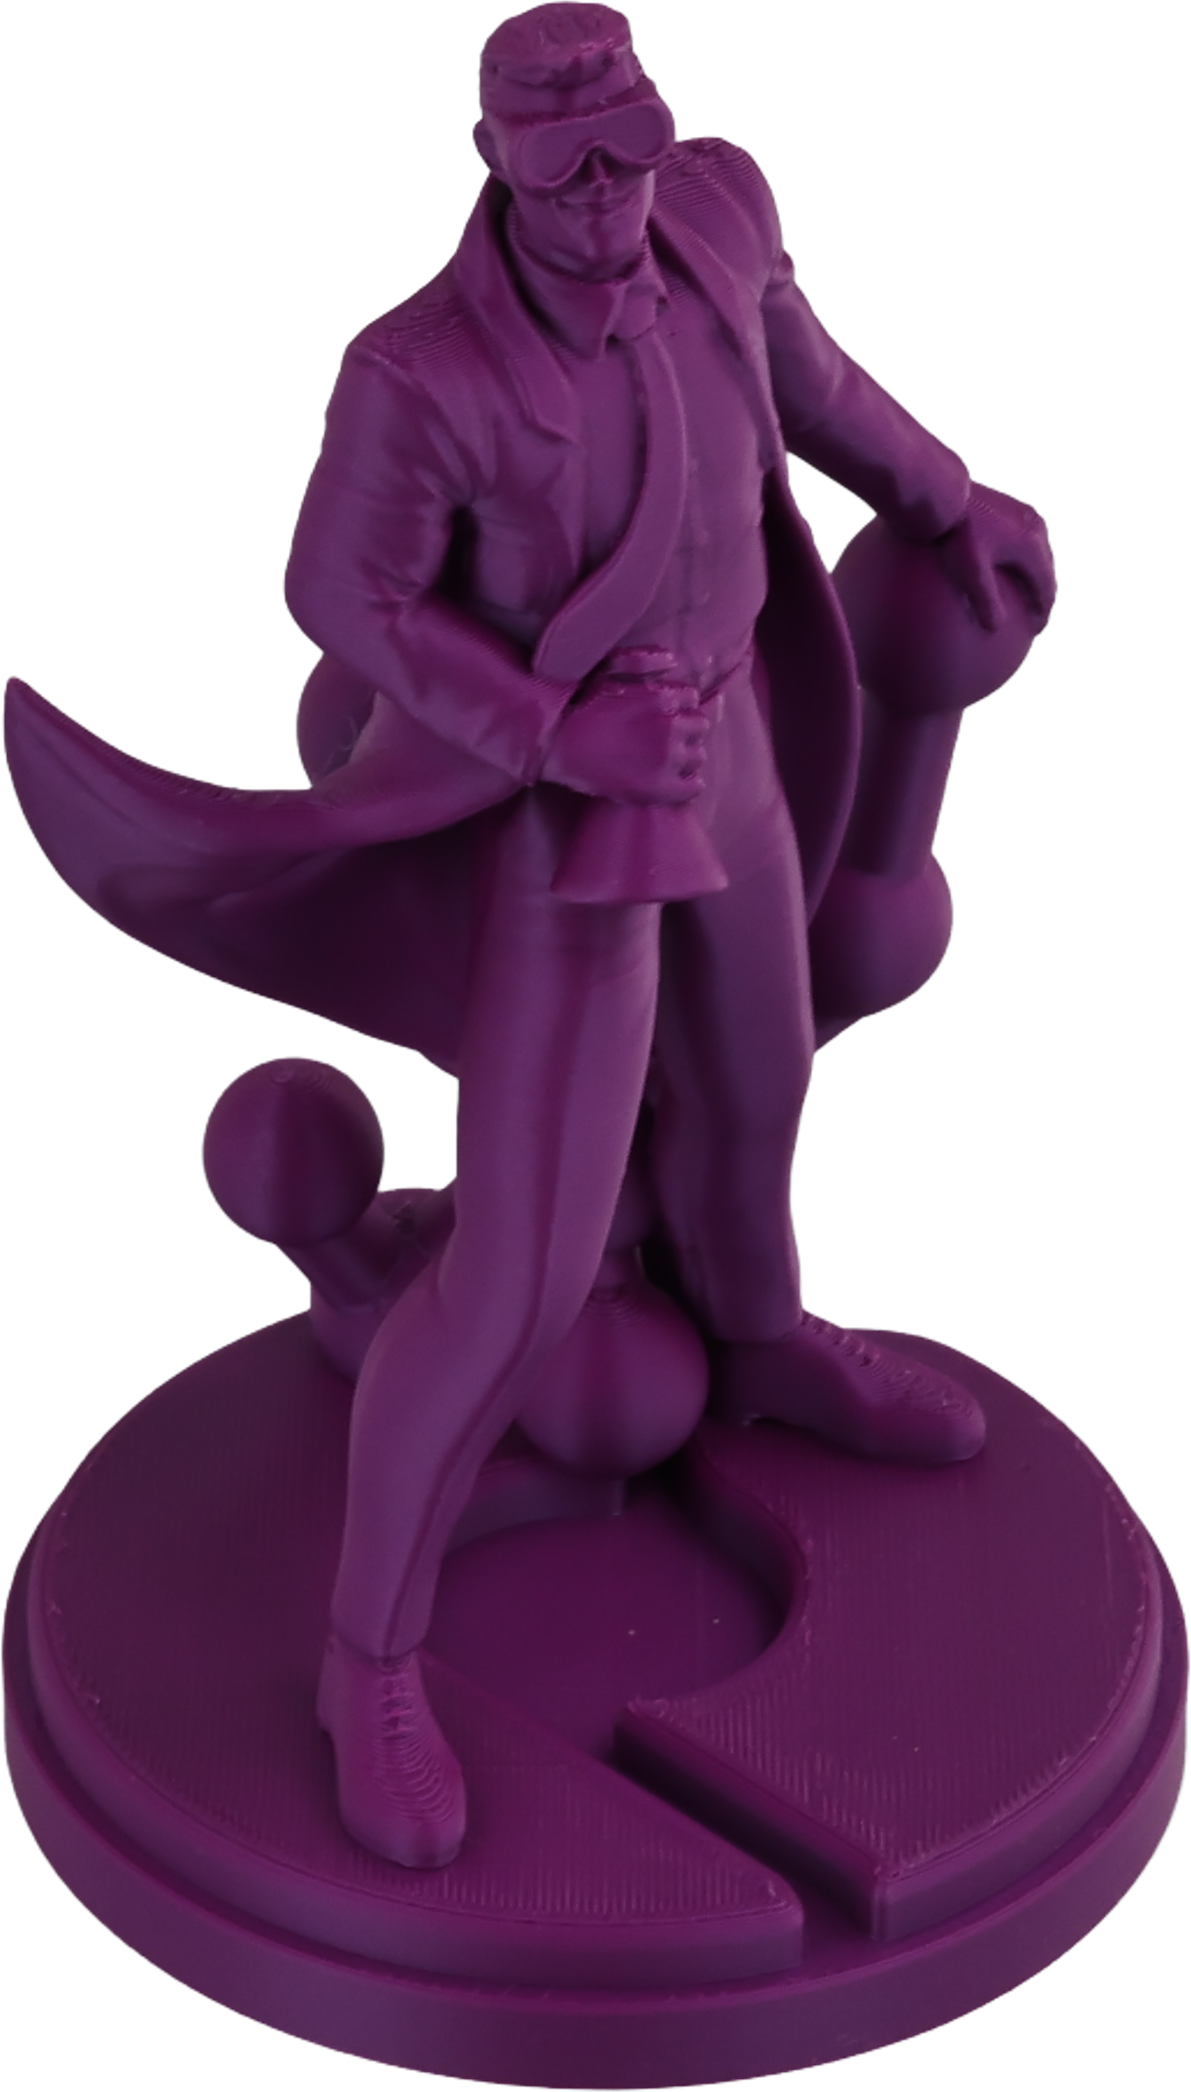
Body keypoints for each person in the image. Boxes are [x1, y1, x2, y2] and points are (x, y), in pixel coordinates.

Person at [2, 2, 1057, 1870]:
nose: (603, 202)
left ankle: (761, 1338)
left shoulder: (717, 216)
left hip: (732, 750)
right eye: (564, 174)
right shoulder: (422, 375)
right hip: (569, 832)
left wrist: (941, 489)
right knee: (520, 1275)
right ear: (493, 164)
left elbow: (811, 381)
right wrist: (558, 733)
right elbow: (342, 593)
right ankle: (369, 1661)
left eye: (625, 153)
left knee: (755, 1095)